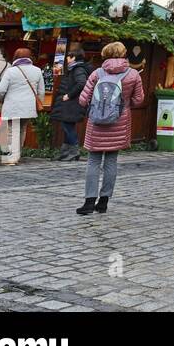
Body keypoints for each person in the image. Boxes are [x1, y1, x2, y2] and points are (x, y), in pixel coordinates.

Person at [76, 41, 146, 215]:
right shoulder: (133, 74)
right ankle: (104, 202)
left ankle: (89, 202)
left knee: (93, 161)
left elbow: (83, 100)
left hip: (97, 123)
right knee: (111, 162)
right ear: (123, 54)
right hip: (119, 122)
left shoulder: (97, 73)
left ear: (105, 54)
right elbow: (139, 100)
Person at [0, 49, 43, 166]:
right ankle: (18, 154)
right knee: (22, 129)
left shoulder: (10, 71)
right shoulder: (37, 71)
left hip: (13, 106)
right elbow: (41, 91)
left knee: (13, 131)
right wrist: (38, 104)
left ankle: (13, 156)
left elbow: (1, 89)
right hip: (28, 107)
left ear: (16, 57)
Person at [53, 45, 90, 161]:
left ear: (73, 57)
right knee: (67, 126)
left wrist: (69, 95)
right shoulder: (74, 69)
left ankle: (74, 151)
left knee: (68, 127)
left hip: (72, 104)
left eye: (69, 56)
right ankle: (65, 152)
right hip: (71, 104)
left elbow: (81, 83)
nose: (67, 59)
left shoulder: (78, 69)